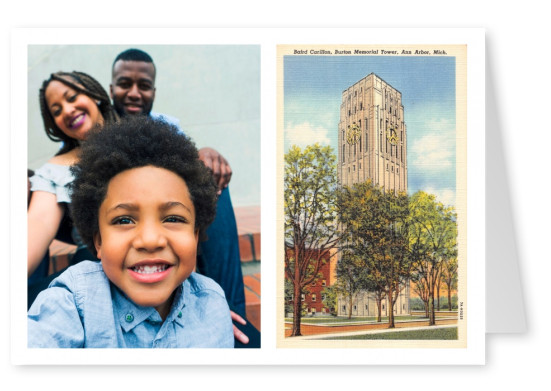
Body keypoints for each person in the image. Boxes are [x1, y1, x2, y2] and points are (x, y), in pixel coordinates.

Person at [28, 116, 234, 348]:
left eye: (173, 218)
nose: (149, 240)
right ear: (98, 241)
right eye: (124, 219)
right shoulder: (74, 301)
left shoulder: (212, 304)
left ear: (195, 236)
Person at [110, 49, 256, 342]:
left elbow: (189, 163)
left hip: (169, 216)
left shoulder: (167, 126)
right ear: (112, 87)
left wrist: (206, 154)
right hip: (129, 223)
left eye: (145, 85)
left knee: (211, 180)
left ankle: (230, 312)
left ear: (154, 90)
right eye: (125, 84)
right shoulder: (101, 127)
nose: (135, 93)